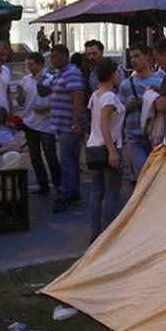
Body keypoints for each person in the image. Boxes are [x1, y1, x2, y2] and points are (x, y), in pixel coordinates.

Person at [85, 57, 125, 239]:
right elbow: (104, 123)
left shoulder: (95, 95)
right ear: (113, 74)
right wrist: (112, 151)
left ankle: (95, 231)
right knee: (111, 193)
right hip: (107, 147)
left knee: (96, 190)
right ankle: (107, 234)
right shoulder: (109, 96)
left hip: (93, 146)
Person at [118, 43, 163, 183]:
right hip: (133, 135)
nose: (134, 60)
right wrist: (128, 106)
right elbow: (119, 111)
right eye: (131, 57)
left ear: (148, 56)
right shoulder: (126, 84)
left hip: (154, 135)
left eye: (137, 56)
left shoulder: (160, 82)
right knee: (144, 173)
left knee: (155, 175)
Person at [48, 44, 85, 212]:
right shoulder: (60, 74)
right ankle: (74, 191)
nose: (52, 60)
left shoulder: (71, 73)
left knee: (67, 161)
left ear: (64, 56)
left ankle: (66, 194)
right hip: (62, 125)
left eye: (55, 56)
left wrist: (75, 122)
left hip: (68, 126)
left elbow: (77, 97)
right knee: (71, 160)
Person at [19, 52, 59, 194]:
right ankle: (43, 185)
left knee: (51, 156)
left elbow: (58, 100)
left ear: (40, 64)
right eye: (28, 65)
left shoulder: (51, 79)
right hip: (30, 122)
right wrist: (20, 95)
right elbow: (21, 101)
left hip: (46, 122)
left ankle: (58, 183)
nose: (29, 67)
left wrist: (46, 108)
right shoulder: (25, 80)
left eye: (31, 65)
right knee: (35, 157)